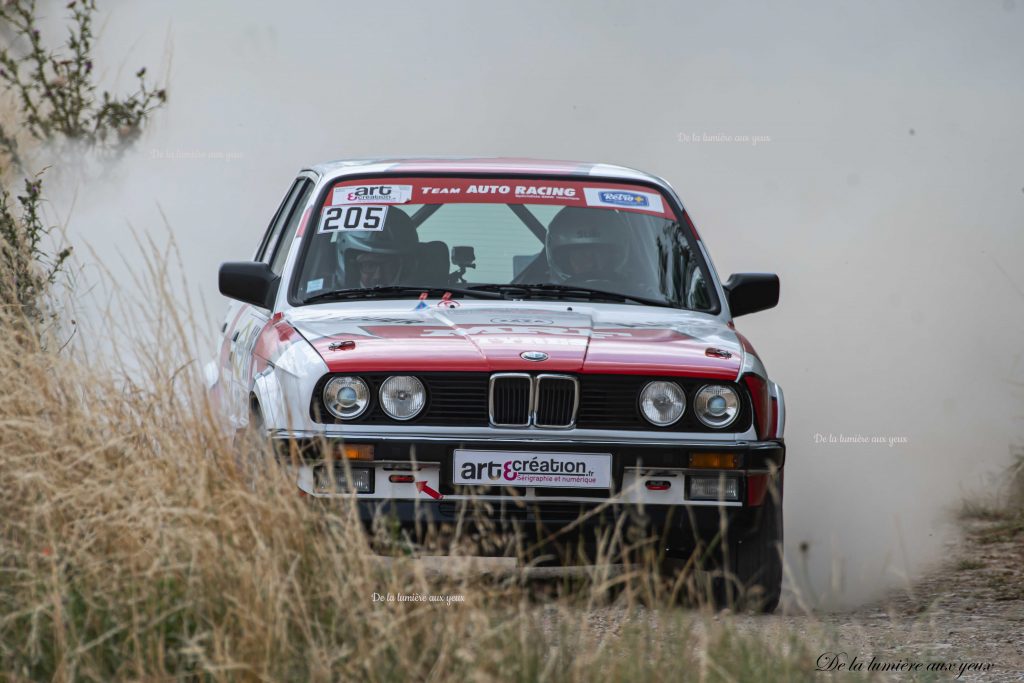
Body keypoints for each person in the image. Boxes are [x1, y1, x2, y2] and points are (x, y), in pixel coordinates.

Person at [335, 209, 419, 287]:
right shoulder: (328, 300)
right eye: (369, 265)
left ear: (404, 267)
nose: (378, 276)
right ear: (352, 268)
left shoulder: (425, 298)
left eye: (387, 266)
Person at [544, 206, 630, 283]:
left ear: (613, 256)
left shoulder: (637, 295)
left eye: (597, 253)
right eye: (580, 255)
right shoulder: (540, 296)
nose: (590, 263)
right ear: (563, 259)